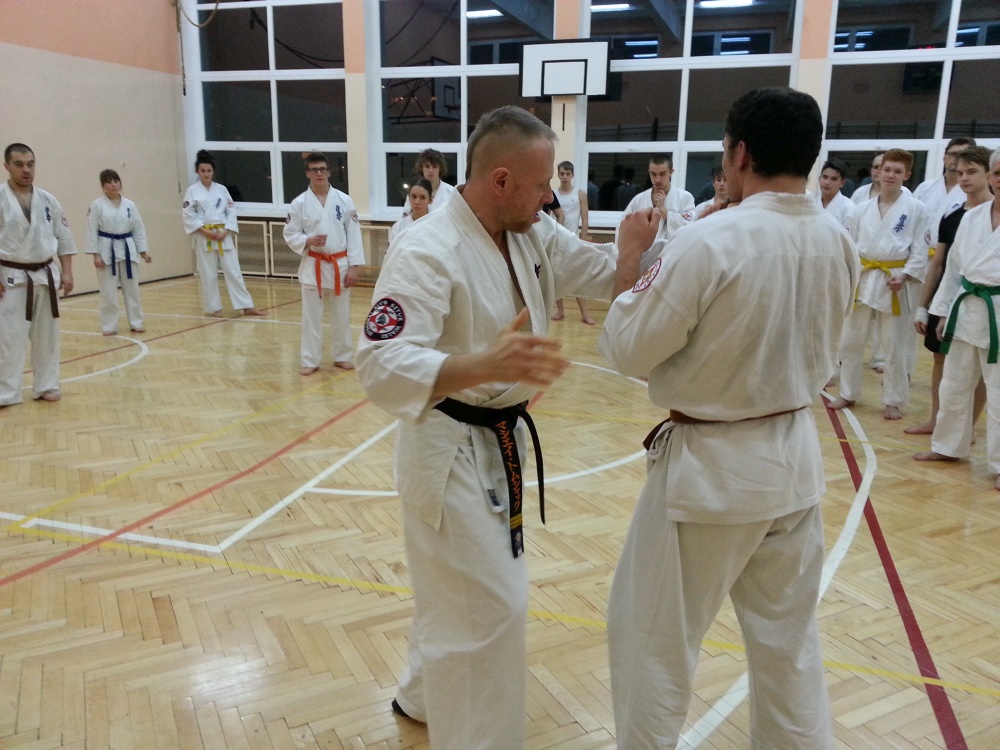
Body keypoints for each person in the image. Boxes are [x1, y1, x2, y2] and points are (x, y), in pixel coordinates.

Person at [355, 105, 658, 750]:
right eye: (541, 183)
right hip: (447, 448)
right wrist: (479, 365)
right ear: (500, 180)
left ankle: (420, 695)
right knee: (490, 608)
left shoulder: (531, 234)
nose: (550, 196)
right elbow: (379, 363)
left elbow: (605, 276)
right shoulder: (428, 248)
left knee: (456, 592)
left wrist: (633, 249)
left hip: (498, 440)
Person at [599, 87, 857, 750]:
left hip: (711, 474)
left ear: (738, 154)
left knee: (652, 640)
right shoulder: (837, 240)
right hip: (794, 462)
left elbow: (627, 349)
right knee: (788, 644)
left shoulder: (710, 239)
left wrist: (629, 258)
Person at [914, 148, 1000, 490]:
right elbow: (953, 270)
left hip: (998, 312)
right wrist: (944, 311)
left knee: (999, 393)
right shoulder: (972, 217)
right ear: (991, 176)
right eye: (998, 173)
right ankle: (948, 447)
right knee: (953, 384)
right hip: (966, 308)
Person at [830, 148, 929, 419]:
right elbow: (850, 246)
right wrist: (849, 275)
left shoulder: (917, 209)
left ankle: (893, 400)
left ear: (907, 175)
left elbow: (920, 250)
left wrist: (905, 275)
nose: (890, 175)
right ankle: (848, 392)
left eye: (897, 171)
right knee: (850, 341)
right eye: (887, 169)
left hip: (894, 281)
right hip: (864, 277)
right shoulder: (861, 209)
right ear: (879, 171)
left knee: (893, 346)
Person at [0, 143, 77, 406]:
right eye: (19, 164)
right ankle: (6, 392)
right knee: (9, 338)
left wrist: (67, 272)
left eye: (31, 164)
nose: (26, 170)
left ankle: (46, 385)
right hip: (11, 276)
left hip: (45, 275)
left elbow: (64, 237)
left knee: (47, 337)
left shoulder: (48, 200)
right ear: (7, 166)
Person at [283, 152, 364, 375]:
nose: (319, 173)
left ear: (329, 172)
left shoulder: (344, 200)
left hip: (340, 263)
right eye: (314, 170)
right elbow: (290, 233)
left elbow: (354, 234)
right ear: (307, 173)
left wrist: (354, 266)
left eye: (322, 169)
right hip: (313, 264)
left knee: (342, 315)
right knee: (311, 317)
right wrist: (307, 240)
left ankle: (342, 356)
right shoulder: (299, 203)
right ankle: (310, 360)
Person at [181, 150, 263, 318]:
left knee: (234, 271)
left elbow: (231, 212)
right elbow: (188, 215)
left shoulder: (222, 190)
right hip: (204, 235)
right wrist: (205, 231)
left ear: (213, 172)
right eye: (203, 171)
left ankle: (246, 306)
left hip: (223, 234)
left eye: (209, 171)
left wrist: (226, 230)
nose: (206, 174)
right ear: (197, 172)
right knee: (208, 274)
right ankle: (214, 308)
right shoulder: (192, 191)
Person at [86, 169, 151, 335]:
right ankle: (109, 326)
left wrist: (143, 251)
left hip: (128, 249)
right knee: (108, 292)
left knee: (132, 290)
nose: (113, 184)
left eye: (116, 181)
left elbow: (138, 228)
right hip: (106, 250)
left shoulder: (130, 205)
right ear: (103, 186)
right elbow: (91, 231)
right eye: (109, 182)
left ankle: (136, 322)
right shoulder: (97, 205)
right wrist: (95, 254)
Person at [615, 153, 696, 246]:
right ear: (649, 172)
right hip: (643, 252)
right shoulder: (638, 200)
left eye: (662, 174)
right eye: (653, 174)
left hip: (672, 251)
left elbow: (689, 228)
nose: (657, 180)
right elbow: (622, 226)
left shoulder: (685, 198)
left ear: (671, 172)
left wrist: (664, 212)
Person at [552, 160, 596, 325]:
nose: (565, 177)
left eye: (567, 174)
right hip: (557, 241)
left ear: (572, 175)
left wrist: (583, 237)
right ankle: (560, 310)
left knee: (577, 277)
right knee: (556, 277)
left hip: (574, 241)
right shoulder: (553, 195)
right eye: (562, 173)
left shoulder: (580, 194)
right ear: (558, 175)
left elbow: (584, 217)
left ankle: (585, 314)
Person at [914, 137, 977, 248]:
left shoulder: (973, 192)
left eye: (963, 155)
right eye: (953, 154)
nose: (957, 159)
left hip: (952, 253)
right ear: (944, 158)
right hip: (920, 253)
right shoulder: (925, 188)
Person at [403, 148, 455, 213]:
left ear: (440, 168)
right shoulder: (414, 192)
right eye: (427, 166)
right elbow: (406, 216)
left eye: (435, 167)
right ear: (421, 168)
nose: (431, 171)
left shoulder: (451, 192)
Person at [389, 178, 432, 245]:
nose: (417, 202)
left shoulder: (436, 226)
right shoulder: (398, 227)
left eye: (422, 197)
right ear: (409, 198)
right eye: (414, 197)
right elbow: (391, 251)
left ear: (430, 200)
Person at [816, 158, 856, 231]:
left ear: (842, 183)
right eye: (825, 177)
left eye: (834, 179)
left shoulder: (848, 208)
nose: (827, 182)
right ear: (819, 178)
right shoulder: (812, 204)